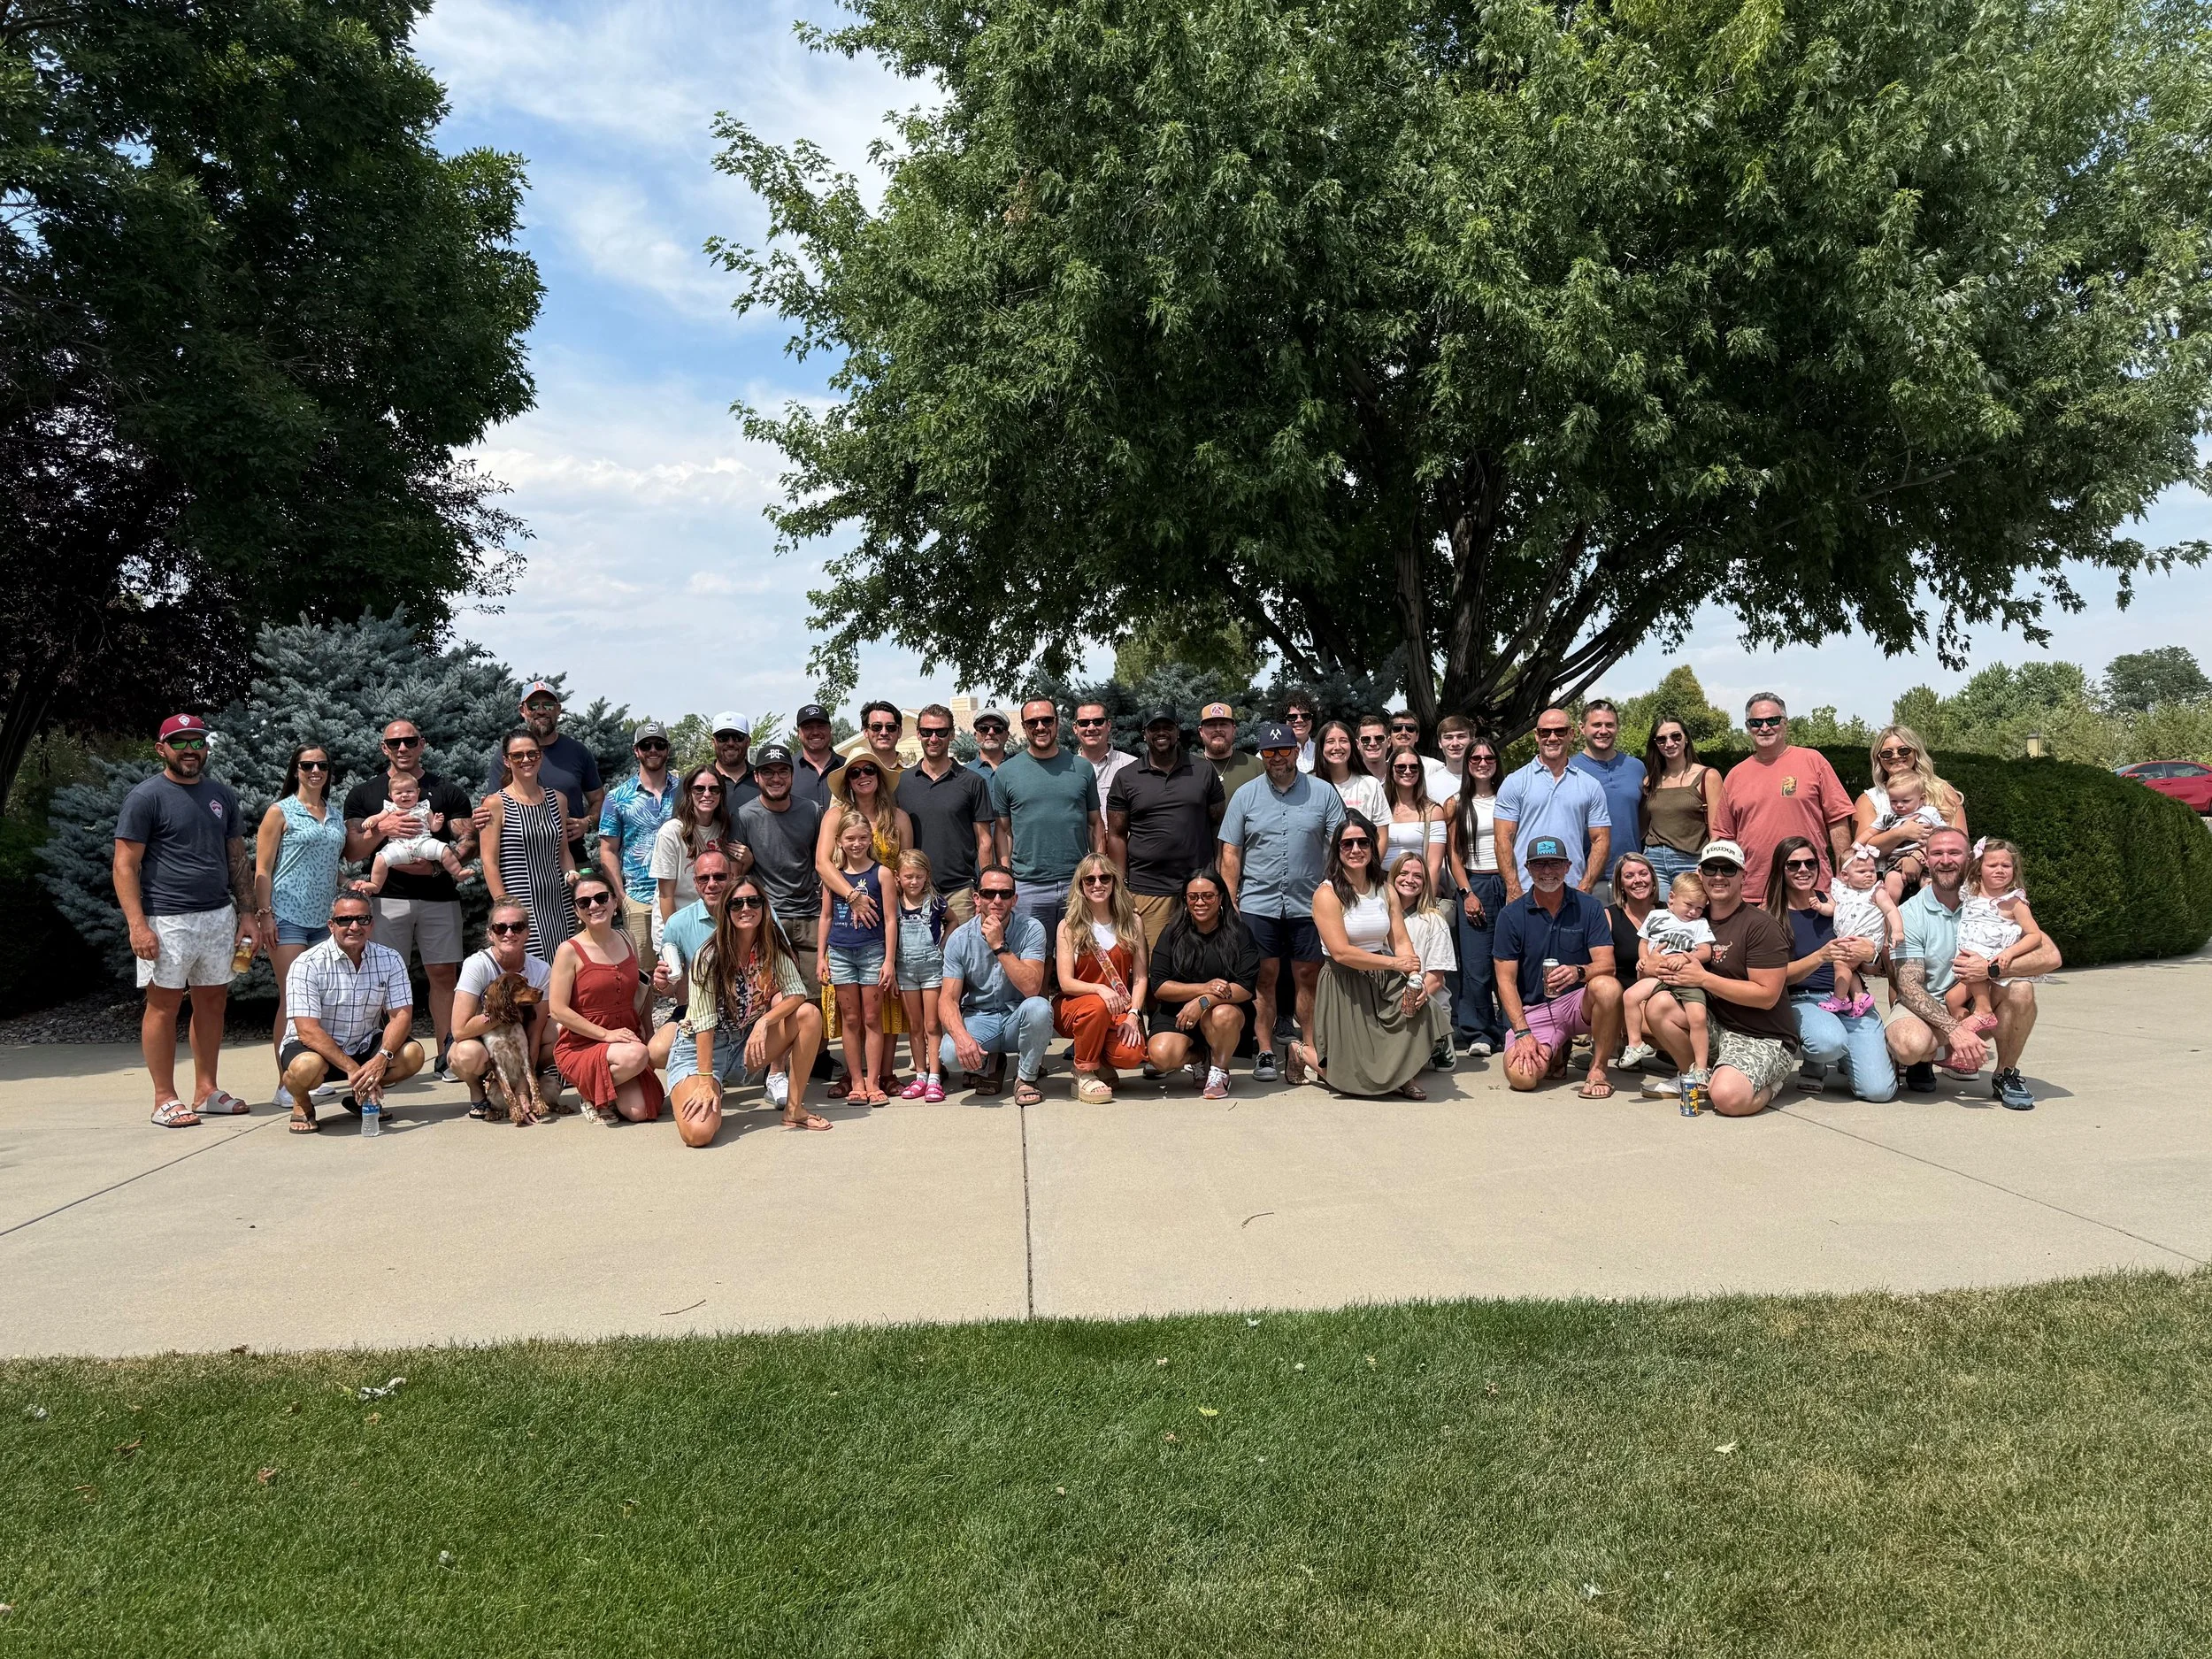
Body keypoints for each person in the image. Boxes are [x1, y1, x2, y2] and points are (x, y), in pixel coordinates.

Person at [114, 713, 262, 1127]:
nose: (189, 750)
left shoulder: (221, 796)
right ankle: (164, 1098)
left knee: (212, 1000)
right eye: (179, 743)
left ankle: (206, 1090)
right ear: (162, 749)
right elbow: (125, 865)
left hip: (217, 915)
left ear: (206, 748)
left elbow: (237, 858)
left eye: (196, 741)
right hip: (166, 919)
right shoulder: (146, 797)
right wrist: (137, 924)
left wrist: (247, 913)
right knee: (163, 1004)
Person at [1884, 826, 2059, 1110]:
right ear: (1927, 859)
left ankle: (2006, 1074)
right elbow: (1908, 986)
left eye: (1954, 852)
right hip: (1927, 1004)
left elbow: (2050, 954)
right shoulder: (1910, 913)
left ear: (1970, 859)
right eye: (1937, 853)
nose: (1945, 860)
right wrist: (1955, 1030)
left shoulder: (1993, 901)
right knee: (1909, 1045)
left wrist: (1990, 970)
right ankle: (1925, 1059)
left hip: (1977, 1002)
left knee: (2022, 990)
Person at [344, 718, 473, 1079]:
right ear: (384, 747)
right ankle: (390, 1055)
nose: (403, 747)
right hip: (387, 900)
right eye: (395, 742)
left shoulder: (446, 791)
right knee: (384, 978)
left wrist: (434, 868)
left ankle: (447, 1054)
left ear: (422, 744)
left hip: (438, 897)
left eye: (410, 741)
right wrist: (382, 829)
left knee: (444, 974)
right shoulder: (365, 794)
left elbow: (467, 841)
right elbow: (353, 852)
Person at [1217, 722, 1345, 1083]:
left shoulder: (1322, 793)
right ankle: (1265, 1051)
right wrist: (1230, 902)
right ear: (1263, 755)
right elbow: (1231, 853)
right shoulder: (1245, 795)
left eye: (1284, 750)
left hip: (1310, 904)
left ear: (1296, 752)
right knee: (1263, 979)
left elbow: (1340, 846)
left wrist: (1337, 894)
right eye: (1270, 752)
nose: (1277, 758)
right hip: (1258, 903)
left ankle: (1309, 1049)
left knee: (1308, 977)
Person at [1640, 839, 1798, 1116]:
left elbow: (1767, 996)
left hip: (1763, 1037)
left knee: (1727, 1099)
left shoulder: (1760, 926)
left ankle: (1771, 1084)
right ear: (1700, 874)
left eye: (1729, 869)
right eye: (1711, 869)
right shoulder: (1692, 918)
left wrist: (1703, 979)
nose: (1719, 876)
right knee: (1658, 1005)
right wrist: (1653, 965)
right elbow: (1660, 961)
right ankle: (1694, 1076)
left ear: (1742, 876)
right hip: (1715, 1026)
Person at [668, 869, 829, 1140]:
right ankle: (708, 1088)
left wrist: (765, 1021)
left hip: (745, 1043)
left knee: (809, 1014)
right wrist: (706, 1081)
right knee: (699, 1134)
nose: (746, 908)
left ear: (764, 907)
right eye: (736, 903)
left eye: (754, 902)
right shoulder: (709, 957)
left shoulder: (772, 945)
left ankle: (794, 1108)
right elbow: (704, 1023)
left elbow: (796, 993)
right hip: (700, 1051)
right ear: (726, 910)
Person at [648, 846, 798, 1121]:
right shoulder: (679, 923)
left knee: (787, 1001)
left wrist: (765, 1016)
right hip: (701, 1012)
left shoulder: (756, 910)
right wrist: (662, 983)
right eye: (704, 878)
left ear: (733, 877)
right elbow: (670, 984)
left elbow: (786, 971)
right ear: (695, 883)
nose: (712, 884)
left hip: (752, 1007)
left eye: (720, 876)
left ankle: (776, 1074)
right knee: (656, 1052)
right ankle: (713, 1074)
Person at [1291, 812, 1431, 1097]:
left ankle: (1403, 1076)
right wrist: (1394, 963)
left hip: (1382, 977)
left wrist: (1415, 978)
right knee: (1349, 1081)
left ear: (1372, 846)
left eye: (1363, 842)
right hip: (1344, 981)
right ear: (1338, 850)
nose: (1356, 850)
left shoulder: (1385, 889)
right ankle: (1300, 1051)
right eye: (1347, 844)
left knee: (1423, 1008)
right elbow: (1342, 953)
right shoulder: (1326, 894)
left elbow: (1401, 941)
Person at [277, 892, 423, 1133]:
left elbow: (402, 1016)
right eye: (345, 920)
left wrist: (381, 1057)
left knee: (413, 1054)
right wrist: (352, 1069)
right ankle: (302, 1103)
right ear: (331, 926)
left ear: (372, 924)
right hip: (315, 1049)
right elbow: (308, 1031)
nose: (354, 926)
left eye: (362, 919)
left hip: (363, 1044)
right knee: (304, 1068)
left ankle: (361, 1095)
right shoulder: (307, 964)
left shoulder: (390, 959)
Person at [1765, 836, 1896, 1102]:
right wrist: (1820, 956)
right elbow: (1773, 979)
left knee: (1879, 1091)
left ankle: (1850, 1058)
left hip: (1850, 998)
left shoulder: (1840, 900)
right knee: (1827, 1042)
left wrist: (1869, 953)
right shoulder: (1769, 915)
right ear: (1781, 869)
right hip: (1803, 999)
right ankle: (1823, 1059)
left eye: (1810, 863)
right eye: (1794, 865)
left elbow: (1874, 965)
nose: (1803, 870)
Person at [1492, 834, 1622, 1099]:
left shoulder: (1589, 907)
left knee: (1608, 988)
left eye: (1554, 863)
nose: (1547, 871)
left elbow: (1607, 965)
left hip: (1577, 1003)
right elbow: (1505, 981)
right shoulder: (1511, 916)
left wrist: (1579, 971)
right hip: (1535, 1010)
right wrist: (1523, 1032)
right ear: (1527, 868)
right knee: (1522, 1078)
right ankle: (1557, 1051)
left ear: (1568, 866)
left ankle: (1598, 1069)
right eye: (1539, 865)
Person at [254, 743, 347, 1094]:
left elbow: (327, 865)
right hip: (287, 916)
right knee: (293, 1000)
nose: (315, 771)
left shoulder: (334, 814)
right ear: (296, 769)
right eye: (307, 765)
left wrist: (347, 882)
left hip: (325, 921)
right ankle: (287, 1082)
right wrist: (265, 916)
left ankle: (314, 1074)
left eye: (322, 765)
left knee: (320, 1000)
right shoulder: (280, 812)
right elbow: (262, 867)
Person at [548, 872, 664, 1125]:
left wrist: (649, 1030)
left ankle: (604, 1091)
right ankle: (589, 1093)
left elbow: (641, 992)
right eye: (584, 902)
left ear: (614, 902)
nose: (593, 906)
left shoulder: (627, 938)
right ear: (577, 910)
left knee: (639, 1112)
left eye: (601, 898)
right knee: (635, 1056)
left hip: (626, 1039)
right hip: (583, 1044)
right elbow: (557, 1010)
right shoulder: (569, 951)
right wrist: (606, 1035)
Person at [1105, 707, 1226, 946]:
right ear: (1144, 734)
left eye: (1167, 727)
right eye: (1154, 728)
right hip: (1147, 889)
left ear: (1177, 731)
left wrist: (1217, 877)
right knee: (1151, 966)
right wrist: (1121, 887)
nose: (1161, 733)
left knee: (1200, 958)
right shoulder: (1126, 777)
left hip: (1197, 888)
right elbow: (1117, 835)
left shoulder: (1203, 771)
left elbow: (1218, 827)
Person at [1717, 694, 1853, 902]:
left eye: (1772, 720)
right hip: (1754, 893)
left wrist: (1844, 877)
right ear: (1747, 727)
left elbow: (1838, 821)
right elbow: (1724, 837)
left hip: (1812, 890)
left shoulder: (1813, 761)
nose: (1764, 728)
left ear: (1785, 723)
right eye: (1756, 722)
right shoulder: (1735, 775)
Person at [938, 864, 1053, 1105]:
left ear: (1015, 899)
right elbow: (948, 998)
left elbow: (1032, 987)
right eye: (989, 893)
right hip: (980, 1017)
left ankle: (1026, 1077)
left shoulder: (1032, 929)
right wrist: (961, 1037)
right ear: (977, 898)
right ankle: (991, 1063)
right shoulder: (959, 938)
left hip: (1017, 1019)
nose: (997, 900)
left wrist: (999, 946)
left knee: (1040, 1007)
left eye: (1005, 894)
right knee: (949, 1054)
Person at [990, 698, 1101, 948]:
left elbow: (1095, 824)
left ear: (1057, 723)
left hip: (1077, 883)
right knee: (1032, 957)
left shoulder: (1082, 768)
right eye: (1032, 722)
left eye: (1047, 720)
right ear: (1024, 726)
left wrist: (1097, 872)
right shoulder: (1007, 773)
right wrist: (1009, 877)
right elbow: (1003, 831)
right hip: (1028, 884)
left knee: (1080, 953)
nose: (1040, 727)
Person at [1145, 868, 1260, 1099]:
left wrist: (1204, 1001)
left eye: (1208, 896)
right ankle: (1198, 1056)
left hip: (1222, 1009)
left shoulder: (1239, 933)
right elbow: (1159, 986)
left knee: (1223, 1015)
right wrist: (1203, 988)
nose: (1200, 902)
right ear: (1185, 900)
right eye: (1193, 897)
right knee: (1161, 1057)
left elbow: (1246, 987)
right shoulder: (1172, 933)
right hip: (1177, 1011)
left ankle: (1219, 1069)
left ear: (1220, 899)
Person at [448, 900, 563, 1119]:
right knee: (467, 1054)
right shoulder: (477, 965)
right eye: (501, 928)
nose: (509, 933)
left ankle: (525, 1082)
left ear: (527, 933)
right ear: (490, 934)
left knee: (560, 1031)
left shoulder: (541, 970)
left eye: (517, 927)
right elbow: (460, 1030)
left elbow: (535, 1033)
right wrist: (507, 1010)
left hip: (520, 1038)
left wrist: (522, 1090)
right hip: (479, 1037)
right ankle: (478, 1090)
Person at [1053, 854, 1151, 1102]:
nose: (1098, 884)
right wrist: (1099, 989)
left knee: (1131, 1055)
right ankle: (1083, 1071)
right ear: (1081, 886)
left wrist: (1133, 1014)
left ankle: (1101, 1064)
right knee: (1096, 1006)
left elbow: (1140, 978)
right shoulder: (1069, 926)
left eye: (1104, 878)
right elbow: (1065, 982)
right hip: (1077, 1007)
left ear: (1114, 882)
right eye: (1090, 879)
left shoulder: (1132, 922)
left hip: (1118, 1011)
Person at [480, 727, 578, 964]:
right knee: (527, 976)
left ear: (540, 756)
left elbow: (563, 851)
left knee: (563, 970)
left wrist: (574, 880)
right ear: (506, 760)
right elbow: (489, 862)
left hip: (558, 903)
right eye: (517, 755)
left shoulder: (558, 800)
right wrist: (505, 909)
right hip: (518, 903)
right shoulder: (495, 803)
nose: (526, 760)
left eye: (532, 754)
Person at [818, 807, 896, 1105]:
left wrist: (889, 960)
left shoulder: (882, 873)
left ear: (870, 839)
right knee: (850, 1018)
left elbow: (891, 919)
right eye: (850, 838)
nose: (856, 843)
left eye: (863, 837)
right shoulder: (833, 876)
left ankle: (874, 1081)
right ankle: (856, 1080)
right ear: (839, 841)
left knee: (873, 1017)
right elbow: (825, 917)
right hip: (840, 952)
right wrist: (822, 956)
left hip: (873, 951)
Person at [480, 682, 603, 867]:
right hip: (522, 862)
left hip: (573, 855)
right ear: (522, 710)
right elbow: (492, 806)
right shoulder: (505, 755)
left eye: (547, 705)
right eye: (533, 706)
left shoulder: (578, 751)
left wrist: (587, 823)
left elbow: (599, 799)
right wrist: (482, 816)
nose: (540, 711)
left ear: (558, 710)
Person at [1494, 706, 1611, 902]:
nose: (1552, 737)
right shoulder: (1515, 782)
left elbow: (1601, 839)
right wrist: (1514, 888)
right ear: (1536, 736)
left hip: (1573, 891)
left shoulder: (1590, 785)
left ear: (1571, 734)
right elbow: (1502, 838)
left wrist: (1585, 887)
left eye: (1560, 731)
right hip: (1525, 890)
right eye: (1545, 732)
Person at [896, 703, 995, 928]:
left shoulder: (972, 782)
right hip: (915, 893)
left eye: (941, 732)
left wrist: (984, 890)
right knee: (917, 961)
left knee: (963, 959)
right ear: (919, 734)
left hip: (960, 891)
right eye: (927, 732)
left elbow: (984, 841)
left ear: (951, 734)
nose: (934, 738)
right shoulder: (902, 783)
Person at [1850, 725, 1967, 901]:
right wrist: (1901, 833)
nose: (1896, 756)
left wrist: (1918, 857)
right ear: (1879, 758)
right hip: (1885, 880)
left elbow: (1961, 842)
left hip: (1937, 878)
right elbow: (1864, 848)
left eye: (1904, 750)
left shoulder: (1942, 791)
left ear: (1916, 752)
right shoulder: (1869, 799)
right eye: (1887, 753)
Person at [1616, 872, 1713, 1080]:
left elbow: (1706, 952)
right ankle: (1635, 1044)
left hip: (1686, 978)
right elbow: (1643, 941)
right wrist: (1644, 959)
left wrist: (1687, 958)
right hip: (1658, 975)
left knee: (1698, 1019)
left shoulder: (1700, 924)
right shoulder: (1656, 916)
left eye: (1699, 908)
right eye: (1689, 905)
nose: (1694, 911)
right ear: (1671, 898)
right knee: (1629, 996)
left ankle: (1702, 1067)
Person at [1447, 736, 1508, 1057]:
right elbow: (1453, 854)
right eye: (1476, 759)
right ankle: (1478, 1032)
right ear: (1468, 764)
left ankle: (1512, 1027)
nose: (1483, 763)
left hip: (1508, 881)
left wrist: (1515, 886)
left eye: (1489, 758)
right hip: (1476, 883)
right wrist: (1466, 892)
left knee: (1512, 961)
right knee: (1475, 964)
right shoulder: (1456, 802)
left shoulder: (1510, 797)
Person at [736, 744, 826, 956]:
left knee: (816, 987)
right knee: (770, 987)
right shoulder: (744, 816)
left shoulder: (811, 810)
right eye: (768, 772)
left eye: (782, 771)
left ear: (792, 775)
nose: (776, 778)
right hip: (768, 917)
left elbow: (824, 862)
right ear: (756, 776)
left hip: (810, 917)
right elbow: (735, 876)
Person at [1950, 839, 2047, 1034]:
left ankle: (1983, 1011)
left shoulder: (2013, 902)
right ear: (1979, 868)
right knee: (1951, 1000)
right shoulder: (1971, 893)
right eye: (1992, 865)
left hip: (1991, 959)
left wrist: (2009, 953)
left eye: (2006, 865)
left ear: (2014, 870)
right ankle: (1968, 1042)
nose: (2000, 870)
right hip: (1969, 959)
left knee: (1972, 962)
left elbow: (2034, 935)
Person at [598, 722, 676, 960]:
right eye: (646, 745)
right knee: (642, 977)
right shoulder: (617, 798)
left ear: (667, 749)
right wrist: (622, 897)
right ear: (636, 750)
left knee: (685, 969)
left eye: (659, 744)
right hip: (639, 897)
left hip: (679, 894)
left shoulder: (685, 791)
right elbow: (608, 849)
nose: (653, 750)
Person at [651, 767, 743, 951]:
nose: (707, 794)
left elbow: (732, 879)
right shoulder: (671, 832)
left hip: (715, 927)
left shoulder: (725, 829)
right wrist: (675, 939)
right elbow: (666, 894)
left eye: (714, 789)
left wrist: (746, 860)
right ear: (689, 793)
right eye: (699, 789)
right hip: (678, 924)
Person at [1568, 698, 1645, 903]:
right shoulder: (1569, 770)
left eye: (1609, 725)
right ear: (1582, 728)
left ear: (1617, 728)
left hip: (1631, 876)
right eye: (1597, 725)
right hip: (1585, 879)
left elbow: (1644, 817)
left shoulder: (1636, 768)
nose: (1603, 730)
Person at [1809, 845, 1899, 1014]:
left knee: (1841, 963)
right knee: (1847, 967)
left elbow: (1891, 910)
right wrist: (1820, 907)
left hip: (1867, 938)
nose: (1869, 875)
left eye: (1872, 870)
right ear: (1845, 876)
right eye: (1862, 871)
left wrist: (1897, 931)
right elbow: (1832, 908)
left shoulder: (1876, 892)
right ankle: (1859, 997)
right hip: (1849, 937)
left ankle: (1839, 999)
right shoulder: (1842, 891)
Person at [1389, 852, 1457, 1071]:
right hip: (1387, 995)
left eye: (1418, 876)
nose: (1410, 880)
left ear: (1426, 883)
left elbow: (1436, 978)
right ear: (1392, 877)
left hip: (1424, 996)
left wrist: (1413, 998)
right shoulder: (1378, 916)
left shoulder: (1434, 920)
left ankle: (1440, 1041)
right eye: (1404, 873)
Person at [891, 850, 949, 1102]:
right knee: (914, 1026)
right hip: (905, 970)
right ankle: (921, 1076)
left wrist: (942, 944)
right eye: (908, 877)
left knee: (932, 1025)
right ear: (898, 877)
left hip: (931, 969)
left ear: (927, 876)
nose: (914, 882)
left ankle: (935, 1077)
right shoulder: (893, 903)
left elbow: (954, 921)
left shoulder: (935, 902)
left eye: (919, 876)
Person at [1639, 718, 1723, 889]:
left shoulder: (1708, 776)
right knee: (1659, 914)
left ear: (1686, 739)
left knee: (1691, 914)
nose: (1669, 743)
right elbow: (1642, 828)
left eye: (1676, 736)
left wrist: (1705, 865)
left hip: (1691, 862)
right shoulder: (1650, 781)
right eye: (1661, 739)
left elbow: (1718, 832)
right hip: (1654, 861)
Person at [360, 772, 469, 892]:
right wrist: (371, 820)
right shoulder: (391, 808)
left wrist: (437, 822)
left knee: (445, 851)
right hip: (398, 846)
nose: (404, 795)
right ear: (391, 796)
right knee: (380, 859)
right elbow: (378, 817)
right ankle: (376, 885)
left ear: (417, 792)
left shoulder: (424, 807)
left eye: (409, 792)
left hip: (424, 843)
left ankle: (458, 872)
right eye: (399, 793)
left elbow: (433, 828)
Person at [1601, 850, 1660, 1052]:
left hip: (1664, 994)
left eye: (1643, 874)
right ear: (1620, 885)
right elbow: (1605, 968)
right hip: (1626, 1001)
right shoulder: (1609, 916)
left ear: (1653, 878)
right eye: (1629, 876)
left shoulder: (1669, 913)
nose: (1638, 880)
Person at [1381, 749, 1447, 885]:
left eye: (1414, 767)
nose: (1407, 771)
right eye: (1400, 767)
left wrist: (1428, 902)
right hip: (1381, 883)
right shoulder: (1378, 807)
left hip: (1415, 885)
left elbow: (1434, 866)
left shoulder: (1433, 811)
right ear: (1390, 770)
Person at [1311, 719, 1387, 821]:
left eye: (1343, 741)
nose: (1337, 747)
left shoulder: (1371, 784)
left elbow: (1382, 834)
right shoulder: (1309, 787)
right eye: (1330, 742)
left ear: (1352, 745)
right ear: (1321, 747)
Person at [1072, 700, 1136, 812]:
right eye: (1084, 723)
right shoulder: (1066, 770)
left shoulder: (1132, 766)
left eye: (1098, 722)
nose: (1091, 728)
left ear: (1108, 725)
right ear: (1075, 728)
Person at [1386, 710, 1455, 802]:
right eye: (1397, 728)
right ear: (1389, 736)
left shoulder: (1435, 767)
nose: (1403, 733)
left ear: (1417, 736)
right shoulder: (1383, 768)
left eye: (1410, 728)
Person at [1198, 702, 1263, 797]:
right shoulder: (1189, 769)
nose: (1218, 729)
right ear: (1201, 731)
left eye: (1223, 724)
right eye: (1211, 725)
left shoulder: (1256, 767)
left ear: (1233, 730)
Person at [790, 703, 846, 809]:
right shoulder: (787, 770)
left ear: (830, 729)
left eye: (821, 726)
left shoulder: (848, 767)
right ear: (798, 733)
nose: (815, 732)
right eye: (808, 727)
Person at [704, 712, 760, 813]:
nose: (730, 743)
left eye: (737, 737)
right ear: (713, 742)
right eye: (723, 737)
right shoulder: (695, 783)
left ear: (748, 742)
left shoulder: (763, 781)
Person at [856, 699, 909, 780]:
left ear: (899, 732)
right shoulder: (853, 775)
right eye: (876, 727)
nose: (884, 733)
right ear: (866, 731)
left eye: (890, 727)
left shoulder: (914, 776)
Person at [967, 705, 1012, 780]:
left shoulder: (1020, 769)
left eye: (998, 728)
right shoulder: (964, 774)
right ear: (976, 736)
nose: (991, 732)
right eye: (984, 728)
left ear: (1007, 735)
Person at [1355, 713, 1395, 787]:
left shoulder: (1400, 776)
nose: (1372, 743)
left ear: (1389, 742)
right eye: (1365, 739)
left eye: (1379, 738)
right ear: (1358, 744)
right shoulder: (1351, 779)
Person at [1282, 692, 1318, 772]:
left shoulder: (1321, 751)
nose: (1299, 720)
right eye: (1292, 717)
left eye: (1306, 716)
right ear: (1284, 720)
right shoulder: (1272, 753)